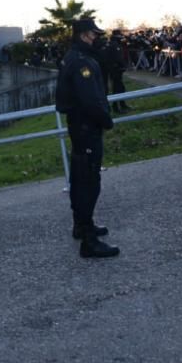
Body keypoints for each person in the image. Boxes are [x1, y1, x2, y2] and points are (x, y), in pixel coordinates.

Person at [55, 18, 119, 259]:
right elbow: (91, 99)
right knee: (88, 181)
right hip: (87, 128)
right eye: (93, 34)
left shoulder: (71, 56)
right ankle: (89, 242)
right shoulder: (82, 62)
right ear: (83, 35)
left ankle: (82, 227)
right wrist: (106, 120)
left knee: (81, 177)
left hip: (79, 127)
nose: (96, 38)